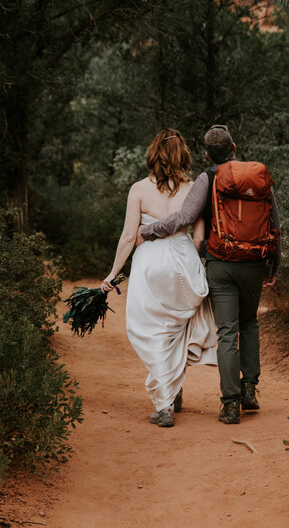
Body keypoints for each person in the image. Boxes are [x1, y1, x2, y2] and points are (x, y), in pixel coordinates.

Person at [138, 124, 281, 425]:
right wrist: (272, 265)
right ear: (234, 148)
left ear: (206, 153)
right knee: (250, 322)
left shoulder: (208, 177)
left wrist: (148, 230)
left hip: (221, 264)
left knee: (226, 332)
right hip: (255, 262)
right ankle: (249, 389)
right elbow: (274, 223)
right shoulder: (258, 177)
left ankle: (230, 406)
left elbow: (185, 217)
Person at [101, 129, 217, 428]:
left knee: (152, 332)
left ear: (153, 154)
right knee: (177, 328)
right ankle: (173, 389)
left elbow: (129, 236)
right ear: (184, 156)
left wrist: (113, 274)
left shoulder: (139, 189)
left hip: (150, 264)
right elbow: (200, 237)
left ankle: (164, 405)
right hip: (184, 259)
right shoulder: (194, 188)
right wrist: (184, 258)